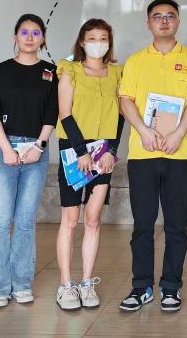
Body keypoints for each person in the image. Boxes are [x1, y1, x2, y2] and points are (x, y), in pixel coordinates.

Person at [117, 0, 187, 313]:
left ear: (178, 21)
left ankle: (171, 287)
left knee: (175, 225)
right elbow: (125, 100)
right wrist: (143, 130)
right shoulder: (135, 61)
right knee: (142, 224)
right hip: (143, 153)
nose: (164, 21)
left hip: (178, 153)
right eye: (158, 16)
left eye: (170, 16)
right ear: (148, 23)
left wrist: (179, 134)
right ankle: (141, 286)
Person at [0, 13, 58, 308]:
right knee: (1, 220)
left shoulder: (50, 72)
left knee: (25, 221)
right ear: (15, 36)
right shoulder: (0, 71)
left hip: (36, 151)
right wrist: (6, 149)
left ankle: (22, 284)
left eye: (36, 32)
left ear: (43, 39)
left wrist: (39, 145)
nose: (29, 37)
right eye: (24, 32)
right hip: (3, 148)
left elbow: (52, 113)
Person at [54, 18, 124, 311]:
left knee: (93, 219)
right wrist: (81, 151)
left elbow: (120, 115)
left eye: (103, 38)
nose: (98, 43)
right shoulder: (69, 70)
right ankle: (66, 284)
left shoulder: (117, 73)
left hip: (103, 152)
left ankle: (86, 282)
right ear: (82, 42)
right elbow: (65, 113)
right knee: (70, 220)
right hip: (74, 151)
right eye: (92, 38)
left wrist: (112, 151)